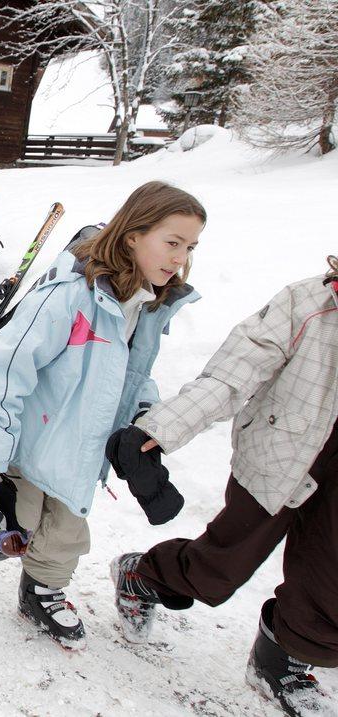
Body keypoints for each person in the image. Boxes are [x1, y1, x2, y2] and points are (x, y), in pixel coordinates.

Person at [0, 181, 206, 650]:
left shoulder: (148, 302)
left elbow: (135, 369)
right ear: (134, 233)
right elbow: (8, 366)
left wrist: (144, 411)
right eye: (172, 242)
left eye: (190, 246)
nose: (180, 257)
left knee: (67, 528)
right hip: (33, 440)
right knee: (18, 518)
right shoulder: (71, 296)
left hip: (86, 445)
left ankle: (42, 590)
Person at [108, 258, 338, 715]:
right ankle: (142, 575)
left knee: (331, 579)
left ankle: (279, 659)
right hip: (281, 455)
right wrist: (158, 429)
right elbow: (231, 377)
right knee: (223, 564)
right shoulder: (308, 303)